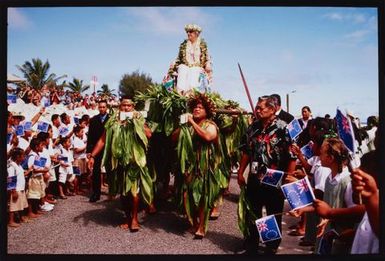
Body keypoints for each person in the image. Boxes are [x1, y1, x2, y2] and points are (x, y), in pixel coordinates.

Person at [237, 95, 296, 255]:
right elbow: (246, 152)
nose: (257, 110)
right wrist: (241, 172)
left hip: (274, 179)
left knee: (272, 213)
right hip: (254, 178)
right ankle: (251, 245)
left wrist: (289, 177)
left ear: (271, 109)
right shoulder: (252, 128)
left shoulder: (283, 128)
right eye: (256, 108)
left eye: (260, 108)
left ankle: (271, 245)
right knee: (253, 211)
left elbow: (292, 155)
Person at [87, 96, 154, 232]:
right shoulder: (113, 121)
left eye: (129, 106)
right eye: (124, 105)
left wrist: (136, 123)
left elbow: (149, 135)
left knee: (134, 191)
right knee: (123, 193)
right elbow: (102, 140)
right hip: (119, 162)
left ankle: (135, 218)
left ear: (133, 107)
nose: (126, 108)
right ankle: (127, 217)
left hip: (134, 161)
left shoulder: (139, 119)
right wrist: (92, 155)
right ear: (119, 107)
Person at [171, 92, 221, 239]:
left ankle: (201, 226)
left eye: (200, 108)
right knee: (188, 195)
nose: (197, 109)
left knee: (202, 197)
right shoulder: (187, 126)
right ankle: (194, 222)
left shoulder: (210, 125)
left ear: (207, 111)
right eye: (195, 107)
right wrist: (183, 125)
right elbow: (173, 138)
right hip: (188, 167)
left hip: (203, 168)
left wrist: (192, 123)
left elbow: (207, 137)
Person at [168, 24, 212, 95]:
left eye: (190, 32)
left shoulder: (202, 44)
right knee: (182, 68)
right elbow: (179, 58)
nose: (188, 33)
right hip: (186, 65)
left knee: (193, 70)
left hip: (197, 67)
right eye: (187, 32)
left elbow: (207, 58)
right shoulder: (184, 45)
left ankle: (190, 94)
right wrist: (174, 63)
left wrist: (208, 64)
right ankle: (179, 93)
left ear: (196, 33)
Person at [86, 100, 109, 202]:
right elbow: (90, 136)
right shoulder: (94, 120)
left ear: (107, 108)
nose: (102, 109)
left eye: (104, 107)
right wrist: (89, 151)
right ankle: (96, 193)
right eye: (100, 107)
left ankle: (112, 192)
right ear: (98, 108)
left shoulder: (111, 119)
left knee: (111, 170)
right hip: (97, 148)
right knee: (96, 171)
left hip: (109, 148)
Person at [7, 148, 30, 227]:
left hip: (21, 188)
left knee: (21, 204)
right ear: (17, 156)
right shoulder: (12, 166)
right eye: (23, 156)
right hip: (16, 189)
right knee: (13, 206)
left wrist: (29, 170)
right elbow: (10, 179)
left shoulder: (19, 165)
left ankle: (21, 217)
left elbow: (21, 175)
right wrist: (13, 191)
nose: (24, 158)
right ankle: (11, 221)